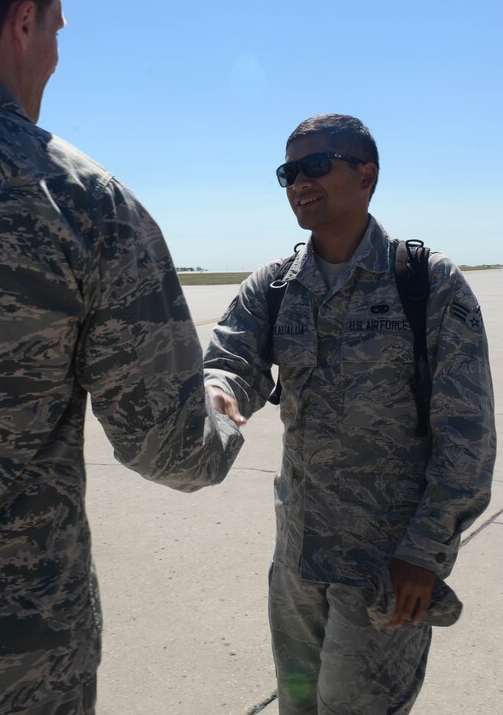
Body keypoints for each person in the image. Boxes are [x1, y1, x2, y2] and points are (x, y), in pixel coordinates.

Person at [0, 0, 243, 715]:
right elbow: (166, 445)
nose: (55, 48)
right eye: (56, 27)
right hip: (5, 664)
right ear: (22, 22)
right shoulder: (76, 199)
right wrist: (220, 418)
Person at [205, 113, 496, 714]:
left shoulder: (427, 282)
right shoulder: (276, 285)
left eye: (315, 166)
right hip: (298, 559)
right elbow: (233, 358)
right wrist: (219, 390)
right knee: (300, 704)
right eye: (289, 171)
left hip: (386, 559)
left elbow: (466, 435)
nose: (298, 182)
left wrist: (424, 553)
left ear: (367, 174)